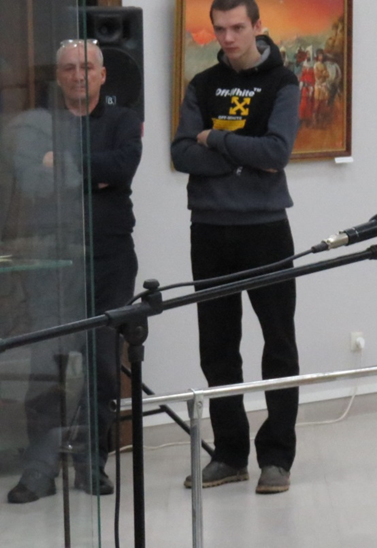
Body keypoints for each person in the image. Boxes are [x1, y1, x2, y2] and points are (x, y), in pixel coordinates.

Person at [4, 38, 142, 503]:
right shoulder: (41, 124)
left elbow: (122, 167)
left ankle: (91, 463)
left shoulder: (123, 121)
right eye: (68, 68)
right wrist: (90, 173)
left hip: (109, 259)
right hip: (54, 257)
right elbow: (30, 180)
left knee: (102, 365)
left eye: (86, 67)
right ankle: (40, 469)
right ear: (58, 76)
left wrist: (60, 165)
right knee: (47, 364)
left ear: (102, 75)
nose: (77, 75)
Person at [170, 0, 300, 495]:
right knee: (218, 348)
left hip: (265, 227)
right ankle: (229, 454)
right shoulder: (203, 84)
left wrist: (216, 139)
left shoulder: (282, 82)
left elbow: (277, 152)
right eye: (220, 29)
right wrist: (243, 153)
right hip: (208, 228)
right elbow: (182, 153)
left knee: (278, 344)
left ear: (257, 26)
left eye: (237, 28)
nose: (228, 38)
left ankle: (277, 458)